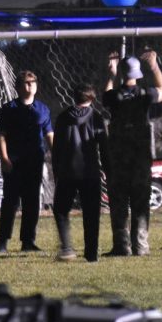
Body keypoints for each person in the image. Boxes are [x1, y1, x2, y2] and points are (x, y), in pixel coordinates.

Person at [102, 49, 162, 256]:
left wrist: (111, 75)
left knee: (119, 202)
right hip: (140, 157)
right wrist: (154, 66)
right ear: (138, 74)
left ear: (122, 73)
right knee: (140, 202)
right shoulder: (145, 95)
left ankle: (122, 246)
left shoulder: (114, 97)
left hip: (119, 158)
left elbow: (105, 95)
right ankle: (141, 245)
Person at [0, 70, 54, 253]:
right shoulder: (9, 108)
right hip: (14, 162)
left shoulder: (43, 109)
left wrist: (57, 154)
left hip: (35, 161)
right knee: (11, 202)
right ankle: (2, 241)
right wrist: (4, 158)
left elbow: (49, 134)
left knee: (32, 201)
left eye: (33, 82)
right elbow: (1, 135)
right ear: (18, 87)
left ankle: (28, 241)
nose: (30, 86)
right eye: (26, 83)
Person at [50, 83, 109, 262]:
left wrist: (56, 171)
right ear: (92, 98)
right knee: (91, 214)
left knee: (61, 210)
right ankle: (91, 254)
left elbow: (56, 149)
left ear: (74, 97)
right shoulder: (96, 117)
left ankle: (67, 248)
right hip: (90, 172)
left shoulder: (62, 118)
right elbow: (104, 146)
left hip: (67, 172)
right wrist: (107, 169)